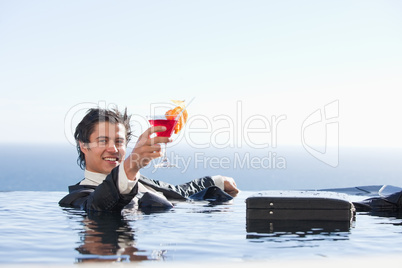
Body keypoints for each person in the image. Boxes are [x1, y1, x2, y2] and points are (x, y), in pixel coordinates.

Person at [59, 107, 239, 212]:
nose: (113, 149)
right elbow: (97, 206)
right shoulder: (76, 198)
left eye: (119, 141)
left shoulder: (141, 181)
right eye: (103, 140)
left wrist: (217, 181)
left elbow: (178, 191)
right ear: (84, 145)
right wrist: (131, 167)